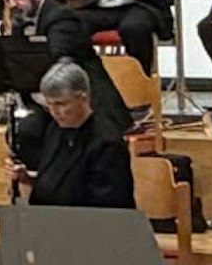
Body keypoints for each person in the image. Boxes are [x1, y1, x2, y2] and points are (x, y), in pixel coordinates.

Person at [0, 0, 132, 133]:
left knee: (32, 132)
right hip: (51, 101)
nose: (12, 4)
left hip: (84, 104)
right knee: (22, 133)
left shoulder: (61, 18)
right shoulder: (20, 20)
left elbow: (62, 64)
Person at [13, 63, 135, 210]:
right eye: (49, 105)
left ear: (82, 98)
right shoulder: (55, 129)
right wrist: (29, 178)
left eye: (61, 104)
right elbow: (59, 182)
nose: (54, 111)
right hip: (49, 219)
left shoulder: (107, 144)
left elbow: (107, 205)